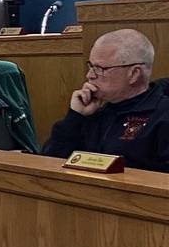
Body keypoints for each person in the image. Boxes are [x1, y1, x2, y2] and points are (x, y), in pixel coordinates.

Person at [42, 28, 168, 172]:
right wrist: (75, 117)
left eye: (100, 68)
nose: (90, 75)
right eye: (90, 66)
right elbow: (50, 162)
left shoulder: (163, 116)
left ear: (134, 74)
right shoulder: (94, 113)